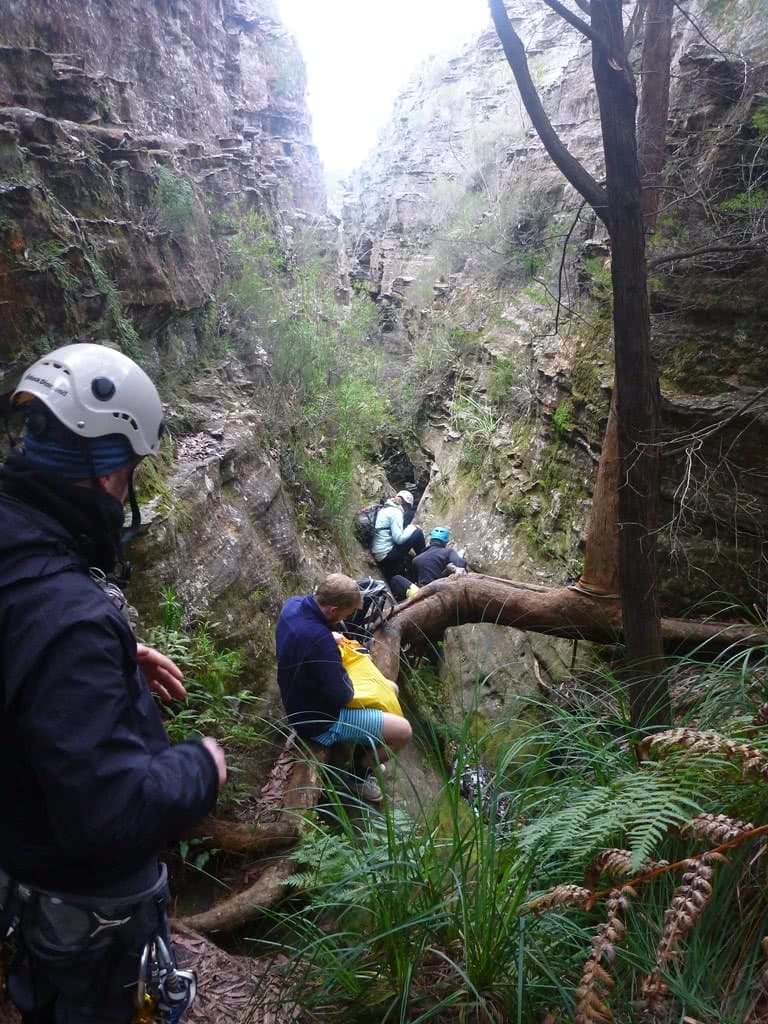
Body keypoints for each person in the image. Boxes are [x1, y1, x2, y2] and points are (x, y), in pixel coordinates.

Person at [0, 343, 227, 1024]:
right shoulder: (66, 620)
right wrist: (202, 766)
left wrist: (106, 662)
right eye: (129, 476)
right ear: (107, 478)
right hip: (79, 913)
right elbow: (109, 816)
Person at [275, 573, 412, 803]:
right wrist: (354, 676)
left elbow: (305, 634)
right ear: (332, 610)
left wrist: (331, 637)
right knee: (403, 732)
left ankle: (365, 746)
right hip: (318, 720)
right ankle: (358, 775)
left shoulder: (293, 606)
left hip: (298, 694)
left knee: (390, 689)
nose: (344, 620)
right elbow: (343, 694)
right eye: (345, 615)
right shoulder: (319, 641)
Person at [390, 527, 467, 601]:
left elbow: (412, 580)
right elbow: (461, 564)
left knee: (395, 579)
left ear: (430, 540)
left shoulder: (416, 559)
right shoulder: (448, 552)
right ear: (445, 542)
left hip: (421, 593)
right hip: (441, 591)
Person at [370, 490, 426, 582]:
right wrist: (412, 527)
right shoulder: (396, 512)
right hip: (386, 555)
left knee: (409, 556)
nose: (407, 511)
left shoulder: (385, 509)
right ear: (406, 504)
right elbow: (399, 539)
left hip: (379, 553)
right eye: (408, 508)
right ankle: (425, 559)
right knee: (418, 533)